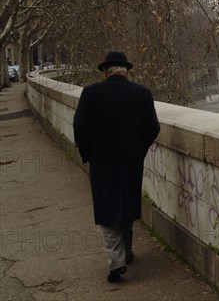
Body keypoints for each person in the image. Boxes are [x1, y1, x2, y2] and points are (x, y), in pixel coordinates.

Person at [73, 51, 160, 283]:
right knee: (128, 205)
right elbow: (153, 127)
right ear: (127, 72)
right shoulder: (142, 93)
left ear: (105, 72)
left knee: (108, 207)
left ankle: (116, 261)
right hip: (131, 160)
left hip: (102, 161)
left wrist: (88, 154)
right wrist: (139, 149)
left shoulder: (90, 94)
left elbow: (80, 127)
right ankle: (126, 252)